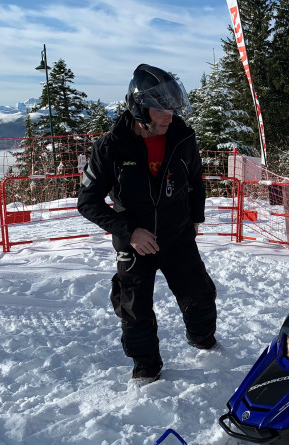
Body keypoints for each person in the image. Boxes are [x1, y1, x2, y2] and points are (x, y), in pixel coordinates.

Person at [77, 64, 217, 383]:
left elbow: (196, 181)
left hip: (177, 236)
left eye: (172, 108)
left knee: (201, 295)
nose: (169, 116)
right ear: (141, 109)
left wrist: (195, 217)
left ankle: (202, 340)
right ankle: (146, 365)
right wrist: (128, 232)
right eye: (161, 110)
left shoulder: (182, 138)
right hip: (135, 241)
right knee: (134, 307)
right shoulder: (110, 148)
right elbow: (87, 201)